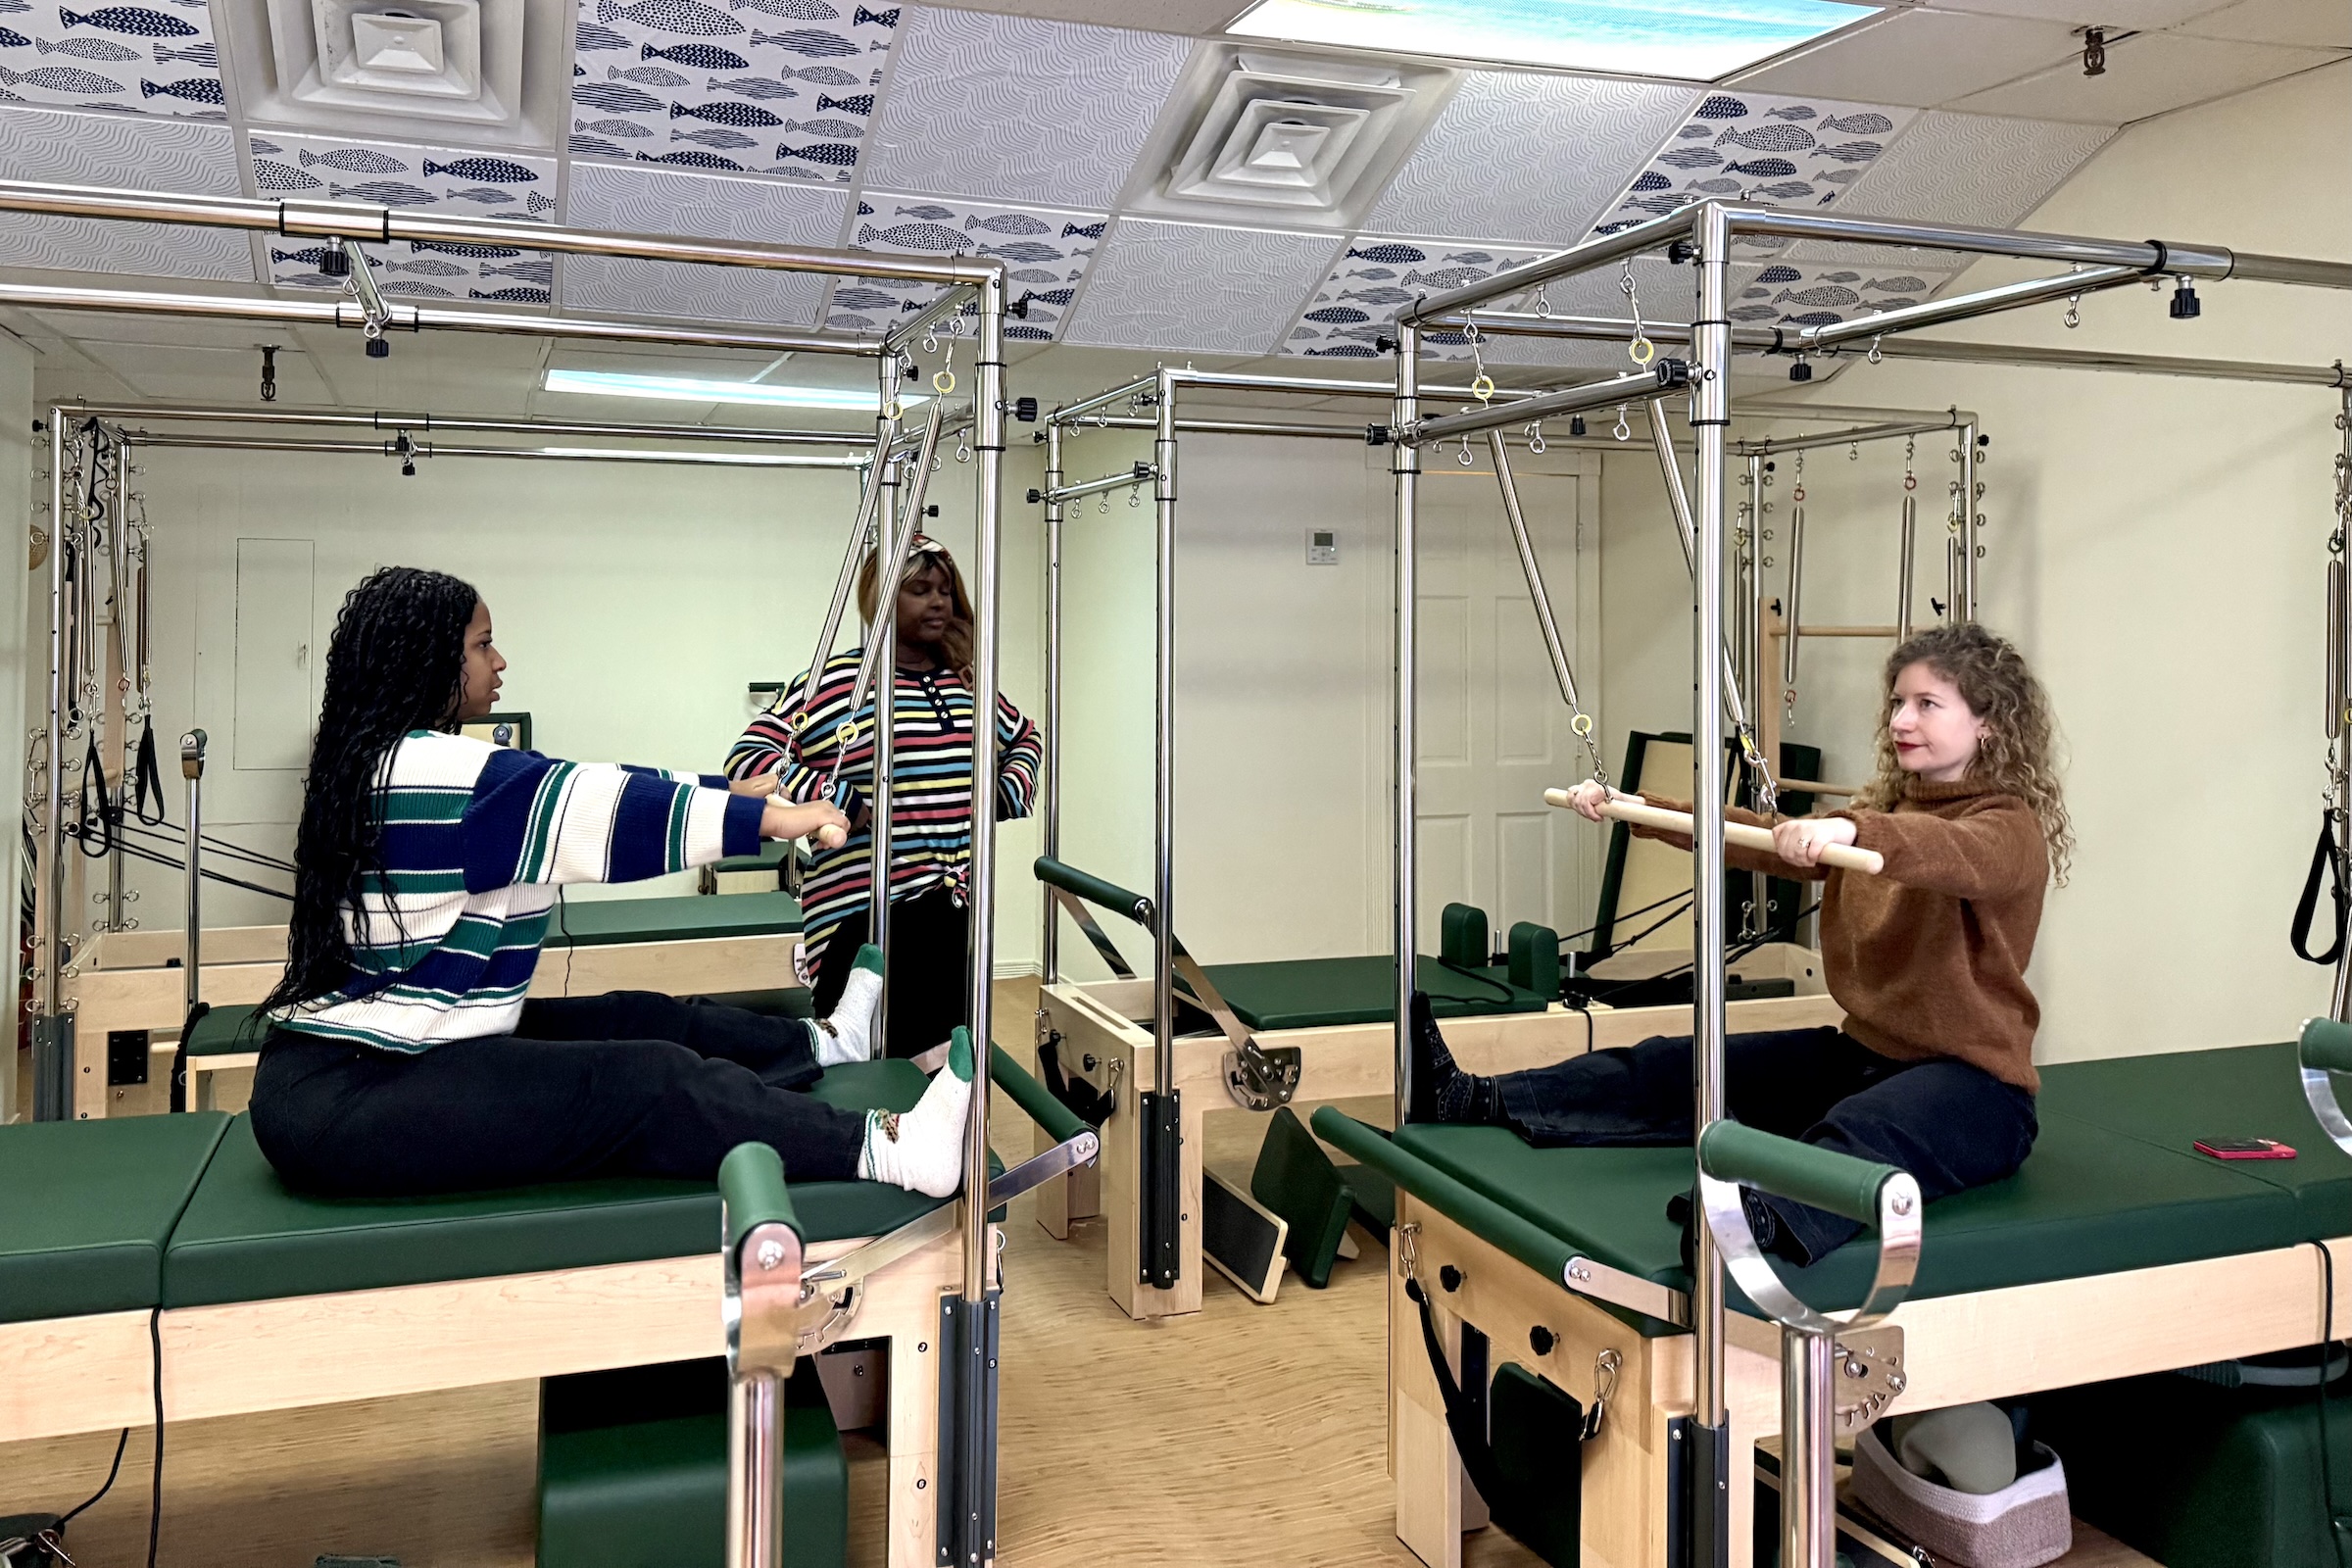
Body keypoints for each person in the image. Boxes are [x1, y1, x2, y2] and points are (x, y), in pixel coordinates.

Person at [248, 566, 974, 1200]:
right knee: (646, 1082)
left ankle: (820, 1045)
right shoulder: (430, 773)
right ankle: (892, 1149)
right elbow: (591, 808)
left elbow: (591, 786)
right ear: (428, 659)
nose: (499, 661)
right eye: (481, 644)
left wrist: (739, 793)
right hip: (351, 1096)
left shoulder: (398, 758)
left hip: (403, 1052)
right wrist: (767, 821)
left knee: (636, 1016)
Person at [1410, 622, 2073, 1264]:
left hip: (1977, 1092)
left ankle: (1753, 1220)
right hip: (1861, 1056)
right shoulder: (1890, 815)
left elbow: (1950, 854)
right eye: (1898, 702)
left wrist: (1851, 833)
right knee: (1683, 1065)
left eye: (1928, 704)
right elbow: (1748, 833)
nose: (1901, 720)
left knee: (1870, 1131)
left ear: (1987, 723)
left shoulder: (2006, 829)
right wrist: (1634, 808)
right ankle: (1476, 1096)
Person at [728, 535, 1042, 1058]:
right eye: (921, 590)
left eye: (944, 589)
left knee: (944, 1076)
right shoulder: (837, 683)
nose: (938, 601)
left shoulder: (969, 684)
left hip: (951, 912)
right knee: (868, 1075)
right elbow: (751, 757)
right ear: (883, 598)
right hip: (863, 918)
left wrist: (1004, 794)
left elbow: (1025, 737)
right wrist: (840, 802)